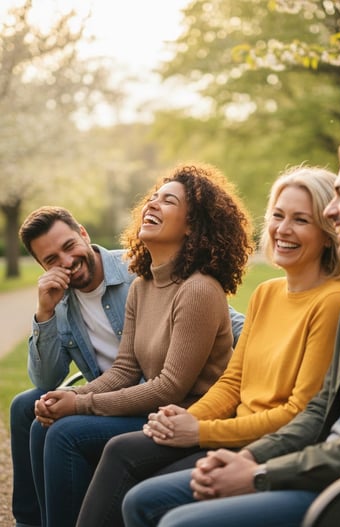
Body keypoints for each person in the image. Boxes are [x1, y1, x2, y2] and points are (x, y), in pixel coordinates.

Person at [75, 164, 340, 527]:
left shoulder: (333, 301)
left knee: (144, 491)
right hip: (229, 433)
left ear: (326, 232)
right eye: (277, 215)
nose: (283, 229)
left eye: (301, 220)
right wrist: (187, 418)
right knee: (126, 458)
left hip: (267, 446)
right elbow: (232, 382)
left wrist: (201, 431)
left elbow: (298, 413)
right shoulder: (266, 293)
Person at [30, 162, 252, 527]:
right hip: (158, 410)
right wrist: (72, 398)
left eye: (168, 201)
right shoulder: (143, 285)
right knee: (45, 423)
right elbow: (125, 369)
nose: (152, 204)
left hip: (190, 417)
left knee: (67, 433)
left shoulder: (198, 288)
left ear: (192, 225)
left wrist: (82, 405)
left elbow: (170, 386)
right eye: (152, 198)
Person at [10, 205, 136, 527]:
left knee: (55, 428)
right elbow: (47, 378)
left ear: (83, 233)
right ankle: (30, 521)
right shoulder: (60, 300)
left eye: (69, 246)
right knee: (25, 405)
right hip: (103, 388)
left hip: (139, 395)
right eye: (51, 260)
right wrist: (45, 313)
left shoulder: (135, 268)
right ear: (42, 266)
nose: (66, 262)